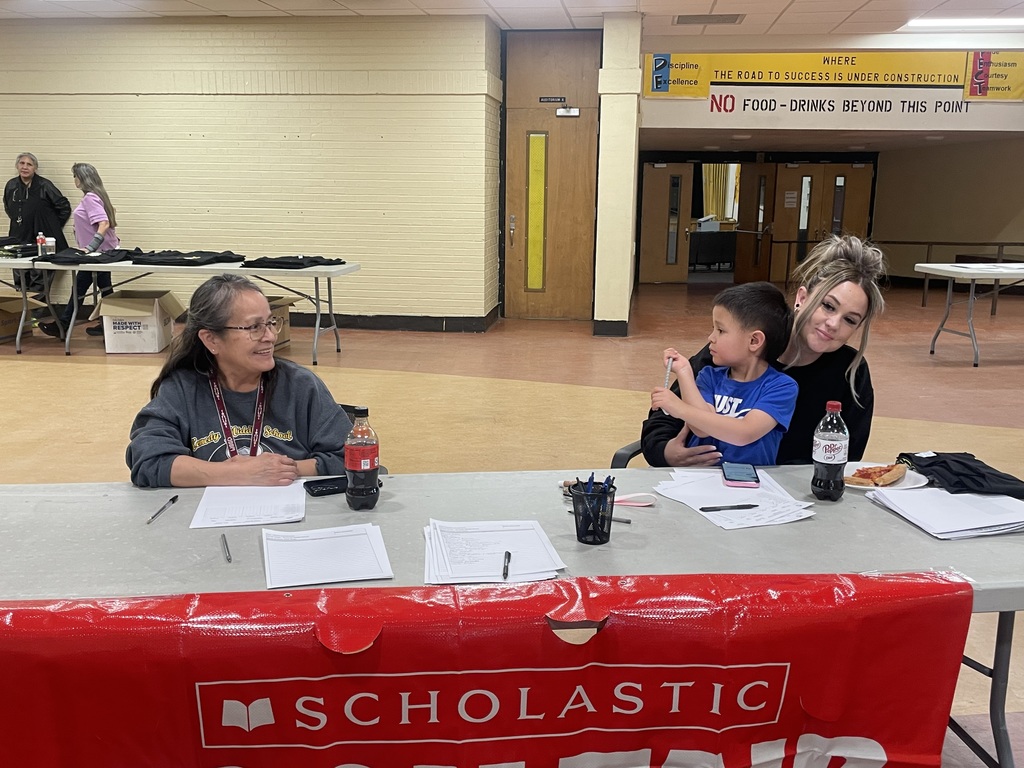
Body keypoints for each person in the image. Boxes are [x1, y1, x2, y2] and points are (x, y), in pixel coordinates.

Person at [642, 235, 886, 466]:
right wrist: (667, 452)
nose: (834, 324)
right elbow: (662, 423)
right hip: (706, 485)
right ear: (801, 298)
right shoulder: (734, 349)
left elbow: (846, 457)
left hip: (794, 499)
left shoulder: (850, 373)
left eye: (850, 320)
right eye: (828, 306)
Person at [126, 274, 353, 488]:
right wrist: (239, 474)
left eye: (271, 322)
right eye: (254, 327)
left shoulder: (300, 385)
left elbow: (352, 456)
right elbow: (147, 459)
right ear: (211, 339)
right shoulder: (182, 389)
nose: (270, 336)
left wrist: (284, 469)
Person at [651, 282, 797, 466]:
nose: (711, 338)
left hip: (750, 485)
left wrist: (678, 407)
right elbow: (700, 428)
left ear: (754, 340)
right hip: (700, 481)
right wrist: (684, 371)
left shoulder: (782, 387)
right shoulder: (709, 376)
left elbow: (745, 433)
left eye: (720, 330)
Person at [39, 163, 119, 338]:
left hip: (96, 255)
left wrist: (90, 248)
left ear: (81, 178)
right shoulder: (99, 196)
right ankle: (109, 323)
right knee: (104, 289)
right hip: (105, 252)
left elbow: (103, 224)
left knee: (81, 288)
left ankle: (64, 325)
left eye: (75, 176)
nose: (74, 180)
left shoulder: (91, 197)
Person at [2, 152, 71, 293]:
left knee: (40, 274)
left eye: (29, 164)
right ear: (17, 166)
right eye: (22, 163)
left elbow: (63, 207)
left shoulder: (44, 185)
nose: (25, 167)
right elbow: (8, 207)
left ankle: (37, 311)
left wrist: (51, 224)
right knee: (20, 274)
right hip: (19, 236)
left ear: (35, 168)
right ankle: (23, 308)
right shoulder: (11, 186)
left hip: (42, 238)